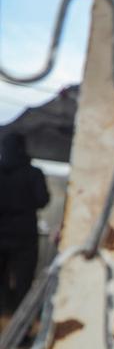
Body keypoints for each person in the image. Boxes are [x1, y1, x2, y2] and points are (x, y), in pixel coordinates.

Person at [0, 132, 49, 317]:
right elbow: (43, 200)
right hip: (24, 235)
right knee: (24, 284)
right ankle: (20, 331)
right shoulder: (33, 173)